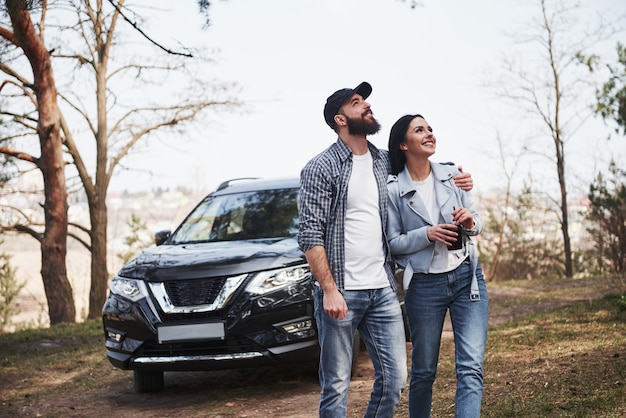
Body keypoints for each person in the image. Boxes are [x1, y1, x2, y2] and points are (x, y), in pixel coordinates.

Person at [298, 82, 473, 418]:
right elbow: (309, 233)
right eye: (356, 102)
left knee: (394, 381)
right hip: (342, 293)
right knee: (336, 385)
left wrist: (461, 179)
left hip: (381, 290)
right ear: (340, 119)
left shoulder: (382, 161)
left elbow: (422, 172)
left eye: (365, 100)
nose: (366, 106)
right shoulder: (321, 167)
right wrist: (329, 289)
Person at [386, 114, 488, 418]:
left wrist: (470, 222)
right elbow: (393, 243)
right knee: (423, 371)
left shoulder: (452, 175)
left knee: (470, 368)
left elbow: (477, 222)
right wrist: (426, 234)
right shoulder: (394, 189)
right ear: (404, 144)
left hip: (466, 278)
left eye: (430, 129)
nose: (429, 134)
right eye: (420, 130)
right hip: (424, 286)